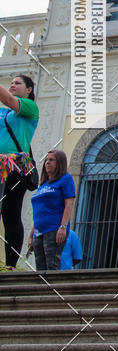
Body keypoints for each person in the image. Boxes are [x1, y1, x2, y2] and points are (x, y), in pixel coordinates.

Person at [0, 74, 38, 268]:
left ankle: (11, 264)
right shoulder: (2, 113)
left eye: (18, 83)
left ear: (29, 89)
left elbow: (7, 98)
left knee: (10, 213)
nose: (13, 85)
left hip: (15, 166)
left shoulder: (30, 108)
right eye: (11, 82)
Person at [28, 150, 76, 271]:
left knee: (52, 265)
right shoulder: (43, 185)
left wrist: (63, 227)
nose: (47, 162)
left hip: (54, 229)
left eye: (51, 160)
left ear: (59, 162)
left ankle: (52, 290)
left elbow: (69, 205)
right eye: (46, 160)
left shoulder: (65, 179)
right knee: (40, 268)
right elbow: (40, 211)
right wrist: (31, 235)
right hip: (38, 232)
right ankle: (42, 290)